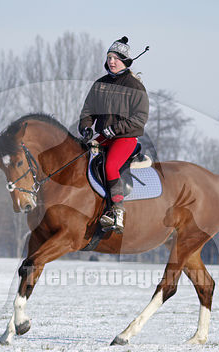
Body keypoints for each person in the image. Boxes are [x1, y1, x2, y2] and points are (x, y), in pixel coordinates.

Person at [78, 36, 149, 233]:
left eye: (116, 58)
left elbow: (140, 118)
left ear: (125, 61)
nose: (111, 61)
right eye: (109, 57)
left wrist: (115, 129)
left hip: (125, 138)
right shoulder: (99, 84)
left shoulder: (135, 87)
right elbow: (88, 111)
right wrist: (85, 128)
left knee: (110, 166)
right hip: (102, 137)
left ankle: (117, 211)